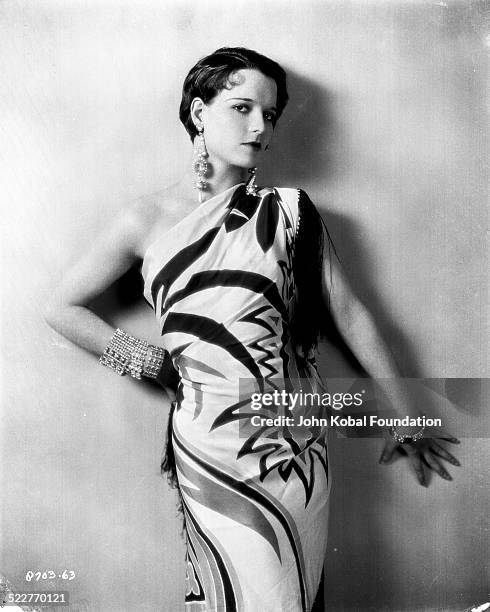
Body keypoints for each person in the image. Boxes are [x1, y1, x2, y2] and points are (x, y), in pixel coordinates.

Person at [44, 47, 460, 612]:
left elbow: (351, 314)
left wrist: (404, 416)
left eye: (271, 115)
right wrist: (146, 360)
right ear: (198, 111)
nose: (260, 126)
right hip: (208, 444)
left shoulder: (290, 212)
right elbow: (61, 308)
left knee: (290, 594)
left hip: (293, 443)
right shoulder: (142, 220)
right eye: (242, 108)